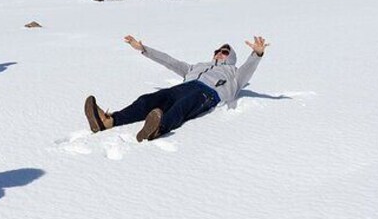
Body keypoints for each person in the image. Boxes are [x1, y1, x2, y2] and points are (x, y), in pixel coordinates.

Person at [84, 35, 269, 141]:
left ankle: (158, 127)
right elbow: (169, 61)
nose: (220, 54)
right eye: (218, 51)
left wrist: (257, 53)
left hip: (208, 93)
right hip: (185, 86)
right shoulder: (196, 66)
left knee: (183, 106)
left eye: (225, 52)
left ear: (231, 57)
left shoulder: (234, 73)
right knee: (148, 99)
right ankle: (109, 121)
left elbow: (249, 68)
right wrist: (143, 48)